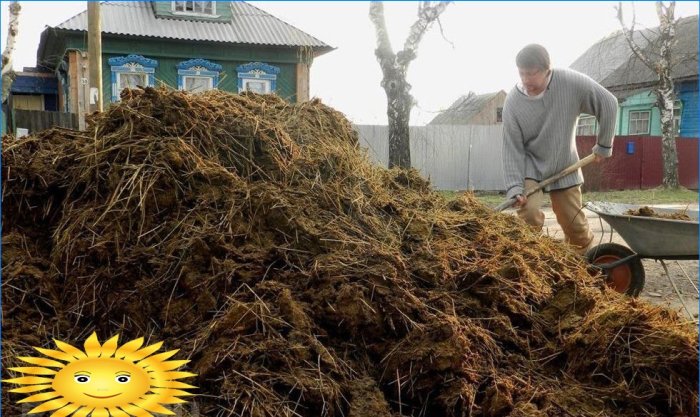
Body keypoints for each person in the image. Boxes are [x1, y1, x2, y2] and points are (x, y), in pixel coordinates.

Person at [501, 44, 618, 254]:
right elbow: (512, 148)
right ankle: (530, 263)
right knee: (528, 214)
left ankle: (581, 267)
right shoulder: (513, 102)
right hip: (530, 166)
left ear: (548, 69)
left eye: (532, 73)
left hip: (565, 163)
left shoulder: (569, 82)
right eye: (522, 73)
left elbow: (608, 102)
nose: (526, 80)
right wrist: (514, 188)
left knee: (574, 226)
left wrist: (604, 145)